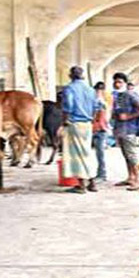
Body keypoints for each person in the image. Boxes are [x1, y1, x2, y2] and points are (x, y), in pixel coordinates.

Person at [60, 66, 101, 194]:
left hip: (74, 123)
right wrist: (92, 119)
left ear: (70, 75)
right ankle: (92, 183)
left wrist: (64, 122)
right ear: (82, 75)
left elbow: (68, 106)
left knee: (76, 155)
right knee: (87, 152)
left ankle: (81, 185)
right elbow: (96, 106)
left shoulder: (70, 88)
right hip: (87, 124)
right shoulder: (90, 90)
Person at [111, 72, 139, 190]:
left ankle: (138, 180)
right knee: (126, 155)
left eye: (120, 82)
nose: (117, 84)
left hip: (129, 130)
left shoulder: (130, 95)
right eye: (116, 82)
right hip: (120, 130)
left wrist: (129, 117)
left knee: (132, 155)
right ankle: (130, 177)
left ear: (125, 83)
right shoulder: (118, 96)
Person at [92, 81, 110, 182]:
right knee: (99, 152)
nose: (98, 92)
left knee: (100, 153)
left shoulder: (99, 102)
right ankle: (101, 173)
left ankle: (102, 174)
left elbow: (98, 116)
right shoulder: (104, 101)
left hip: (100, 129)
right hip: (101, 128)